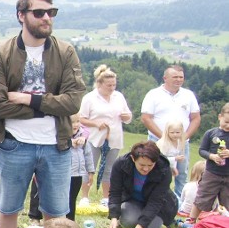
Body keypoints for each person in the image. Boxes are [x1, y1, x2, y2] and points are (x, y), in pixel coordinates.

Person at [0, 0, 86, 228]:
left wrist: (29, 100)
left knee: (57, 214)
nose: (46, 18)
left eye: (51, 12)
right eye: (39, 12)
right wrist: (47, 106)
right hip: (14, 144)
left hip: (57, 145)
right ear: (21, 16)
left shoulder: (65, 52)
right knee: (8, 210)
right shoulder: (1, 53)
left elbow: (73, 102)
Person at [141, 65, 200, 198]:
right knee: (155, 169)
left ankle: (180, 201)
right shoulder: (153, 94)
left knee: (182, 173)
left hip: (182, 142)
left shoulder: (188, 95)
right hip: (158, 141)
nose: (178, 80)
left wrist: (185, 137)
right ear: (165, 78)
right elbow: (146, 118)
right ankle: (153, 197)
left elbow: (195, 118)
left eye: (181, 77)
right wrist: (165, 138)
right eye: (175, 77)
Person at [77, 64, 132, 207]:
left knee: (110, 168)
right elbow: (81, 118)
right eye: (109, 85)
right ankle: (84, 197)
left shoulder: (119, 96)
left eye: (114, 84)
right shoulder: (89, 98)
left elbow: (128, 116)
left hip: (114, 138)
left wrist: (126, 116)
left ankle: (106, 198)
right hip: (94, 138)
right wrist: (95, 123)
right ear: (99, 84)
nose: (112, 88)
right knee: (90, 166)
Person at [108, 141, 177, 228]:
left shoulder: (164, 170)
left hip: (159, 207)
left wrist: (141, 225)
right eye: (142, 165)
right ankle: (134, 219)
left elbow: (156, 201)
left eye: (150, 165)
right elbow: (115, 192)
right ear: (133, 158)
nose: (145, 169)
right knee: (128, 222)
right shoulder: (120, 164)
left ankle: (166, 222)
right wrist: (114, 217)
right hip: (133, 201)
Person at [188, 103, 229, 221]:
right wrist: (212, 156)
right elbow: (202, 150)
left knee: (227, 202)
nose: (228, 125)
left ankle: (225, 225)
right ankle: (191, 220)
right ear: (219, 117)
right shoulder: (211, 133)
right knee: (202, 198)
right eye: (226, 122)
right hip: (211, 173)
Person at [68, 117, 94, 220]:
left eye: (77, 121)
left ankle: (70, 221)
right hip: (65, 174)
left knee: (72, 199)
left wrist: (90, 171)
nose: (75, 124)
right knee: (64, 199)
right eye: (72, 122)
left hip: (78, 174)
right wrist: (70, 143)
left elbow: (88, 155)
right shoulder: (60, 137)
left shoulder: (83, 138)